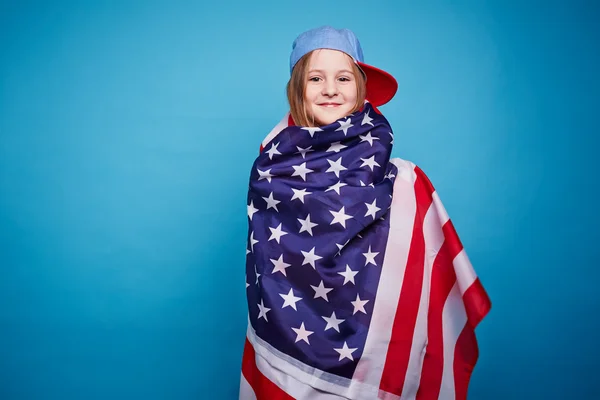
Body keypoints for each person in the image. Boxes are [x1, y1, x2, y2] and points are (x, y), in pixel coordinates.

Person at [239, 26, 491, 400]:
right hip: (287, 340)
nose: (330, 89)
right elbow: (271, 266)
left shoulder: (402, 178)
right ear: (297, 89)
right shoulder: (272, 170)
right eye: (315, 78)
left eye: (343, 78)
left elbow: (424, 267)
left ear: (361, 88)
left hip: (375, 344)